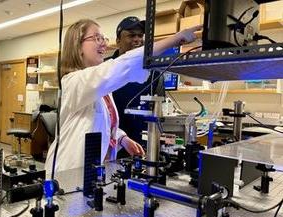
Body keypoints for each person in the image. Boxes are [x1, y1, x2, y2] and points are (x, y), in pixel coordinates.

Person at [45, 19, 201, 173]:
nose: (103, 43)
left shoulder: (100, 89)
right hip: (67, 173)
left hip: (91, 171)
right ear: (77, 46)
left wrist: (122, 139)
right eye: (97, 38)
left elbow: (99, 124)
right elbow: (121, 65)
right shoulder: (72, 82)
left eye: (103, 38)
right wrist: (174, 39)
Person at [107, 16, 150, 159]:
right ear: (118, 41)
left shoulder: (152, 71)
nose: (137, 39)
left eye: (140, 35)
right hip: (112, 146)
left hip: (141, 146)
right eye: (131, 35)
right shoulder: (105, 69)